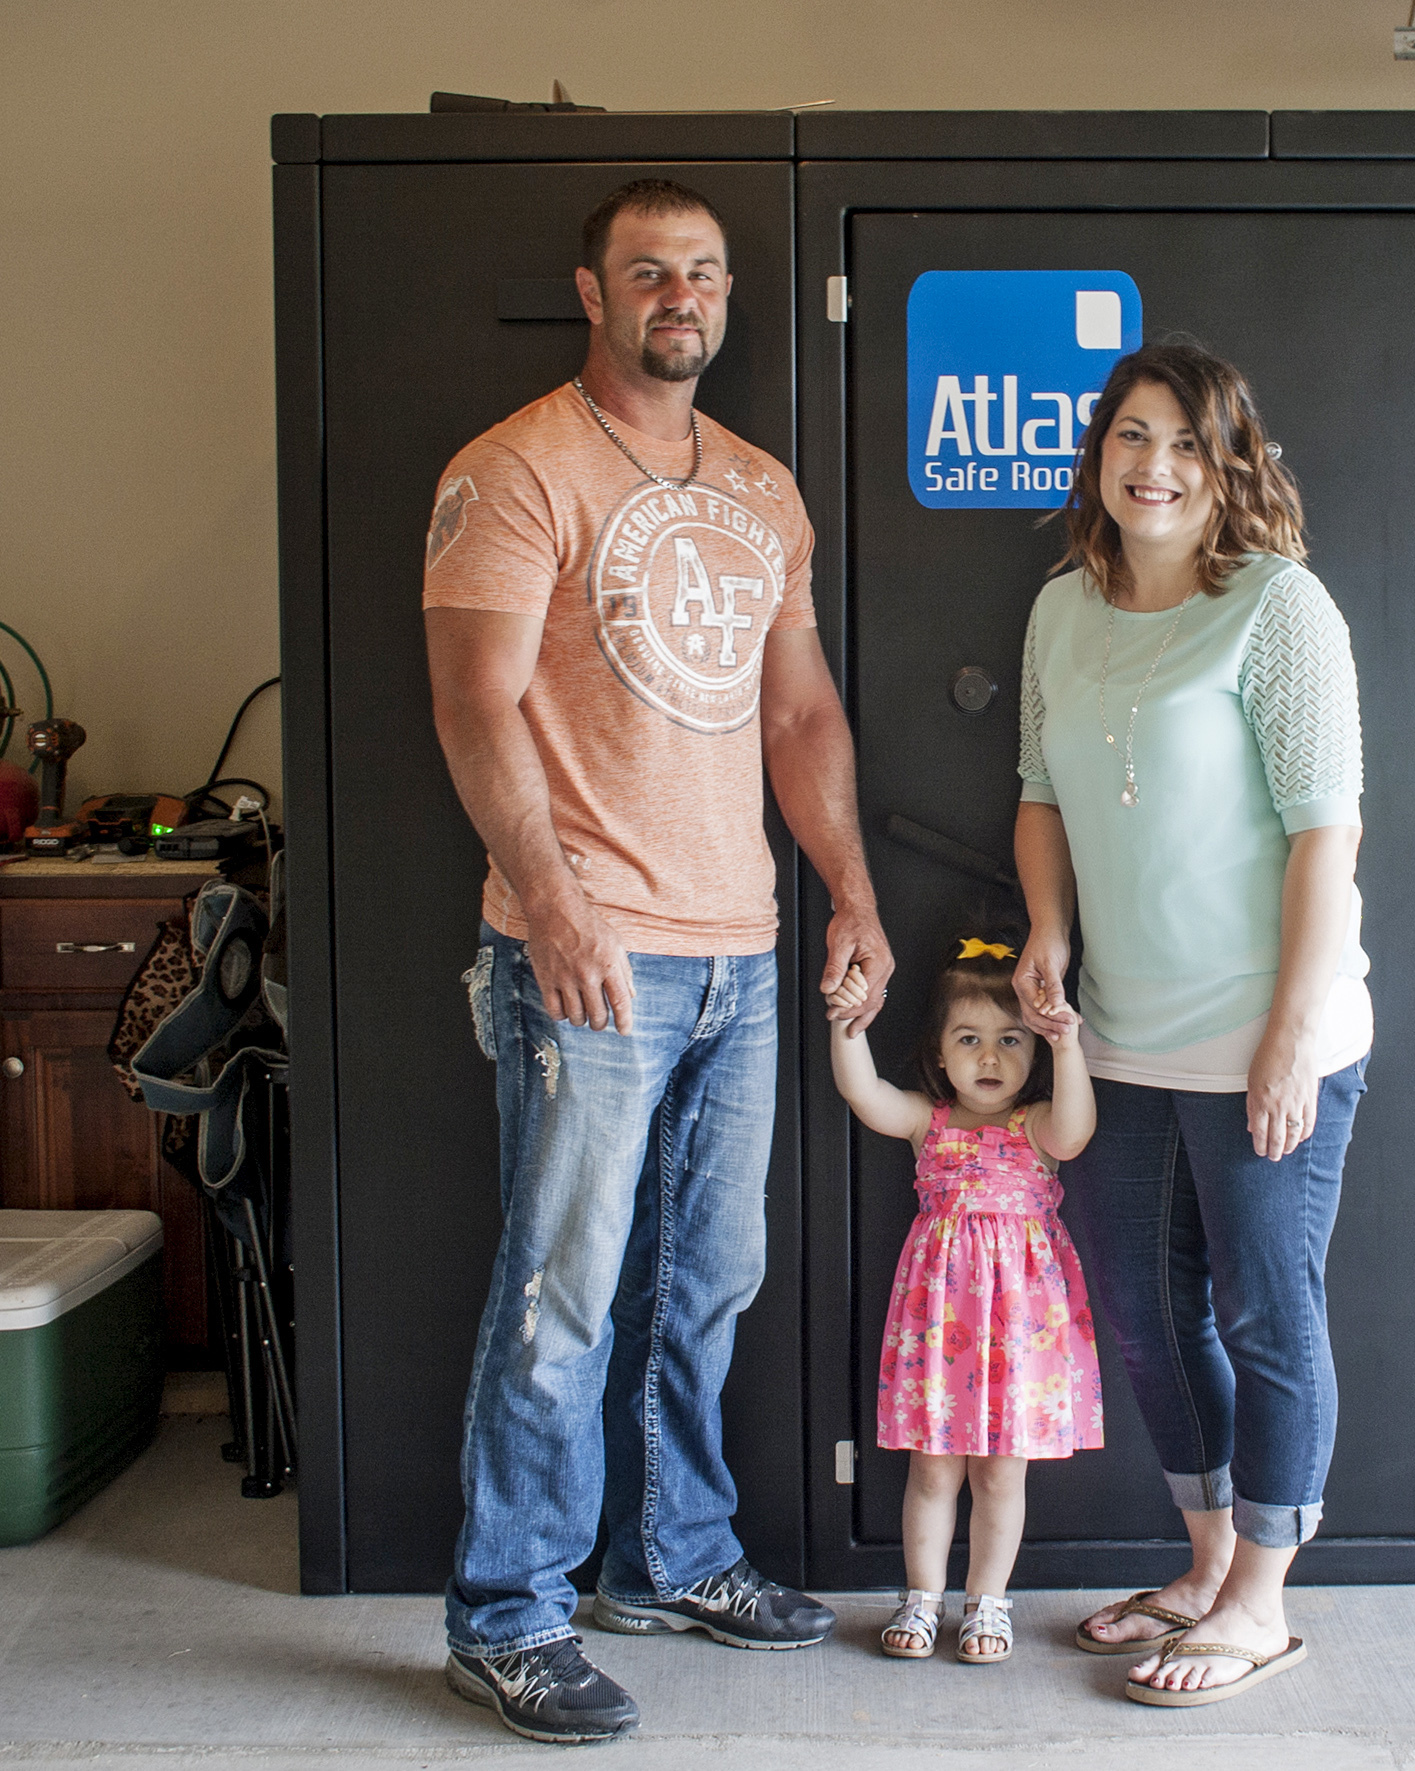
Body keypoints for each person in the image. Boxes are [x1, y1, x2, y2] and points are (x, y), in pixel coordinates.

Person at [423, 178, 891, 1745]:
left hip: (741, 952)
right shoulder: (512, 470)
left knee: (707, 1279)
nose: (676, 294)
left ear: (726, 293)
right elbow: (475, 706)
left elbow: (802, 712)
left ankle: (668, 1556)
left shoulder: (761, 490)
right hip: (588, 951)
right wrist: (551, 907)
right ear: (593, 290)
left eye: (699, 272)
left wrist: (850, 892)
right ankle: (509, 1611)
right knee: (561, 1292)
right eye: (646, 271)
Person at [1009, 343, 1369, 1706]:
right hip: (1121, 1032)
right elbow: (1040, 790)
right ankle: (1209, 1560)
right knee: (1148, 1320)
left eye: (1183, 442)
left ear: (1229, 466)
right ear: (1099, 455)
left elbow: (1326, 832)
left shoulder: (1279, 608)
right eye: (1129, 437)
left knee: (1269, 1313)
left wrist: (1289, 1033)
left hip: (1266, 1031)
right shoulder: (1061, 610)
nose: (1152, 465)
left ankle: (1264, 1601)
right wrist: (1047, 928)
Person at [826, 935, 1103, 1665]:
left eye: (1010, 1040)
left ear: (1033, 1049)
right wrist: (847, 1024)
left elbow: (1076, 1133)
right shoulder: (930, 1122)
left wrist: (1067, 1044)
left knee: (1000, 1471)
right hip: (940, 1328)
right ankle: (921, 1595)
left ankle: (987, 1599)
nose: (989, 1058)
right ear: (940, 1052)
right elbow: (862, 1093)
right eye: (969, 1039)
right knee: (932, 1467)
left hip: (1017, 1334)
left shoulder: (1036, 1127)